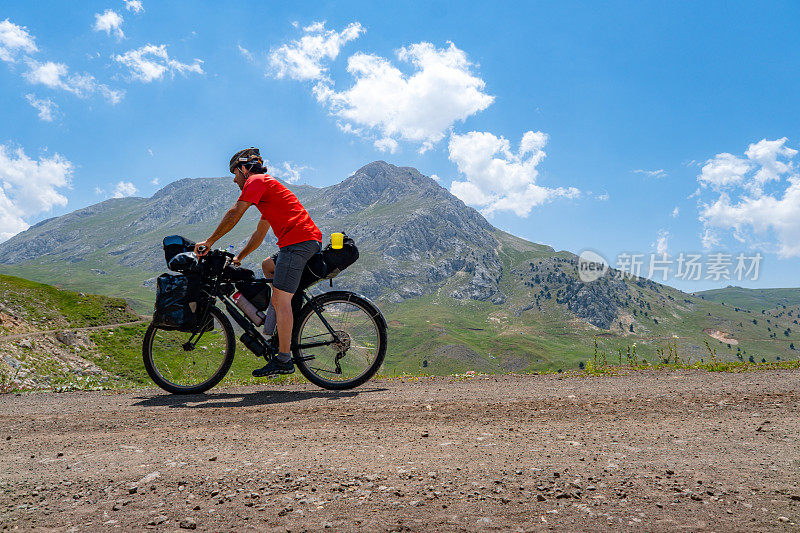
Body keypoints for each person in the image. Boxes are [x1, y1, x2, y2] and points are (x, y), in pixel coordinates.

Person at [194, 147, 322, 377]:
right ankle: (276, 329)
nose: (235, 180)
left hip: (298, 242)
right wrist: (240, 257)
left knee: (280, 299)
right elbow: (259, 234)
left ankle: (284, 360)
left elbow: (236, 212)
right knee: (267, 266)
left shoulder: (256, 181)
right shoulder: (268, 190)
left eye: (235, 173)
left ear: (244, 169)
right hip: (299, 242)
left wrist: (210, 241)